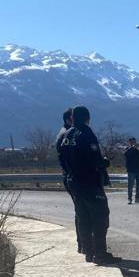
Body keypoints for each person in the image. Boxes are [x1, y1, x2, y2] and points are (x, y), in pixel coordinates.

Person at [60, 106, 121, 264]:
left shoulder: (66, 135)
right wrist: (105, 162)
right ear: (87, 118)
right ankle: (100, 253)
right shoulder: (86, 133)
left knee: (83, 217)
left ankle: (88, 251)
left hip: (73, 181)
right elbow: (96, 160)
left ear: (72, 118)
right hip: (90, 182)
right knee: (100, 217)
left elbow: (62, 159)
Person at [55, 108, 83, 254]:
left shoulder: (65, 133)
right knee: (82, 210)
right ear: (69, 120)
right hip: (74, 177)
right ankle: (83, 243)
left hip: (70, 176)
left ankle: (84, 243)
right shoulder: (67, 135)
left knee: (81, 210)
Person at [123, 137, 139, 204]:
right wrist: (133, 147)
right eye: (132, 142)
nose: (134, 143)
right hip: (131, 170)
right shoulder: (127, 149)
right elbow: (126, 154)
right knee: (130, 185)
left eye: (135, 142)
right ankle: (129, 198)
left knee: (138, 185)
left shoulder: (138, 149)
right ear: (130, 142)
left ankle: (137, 198)